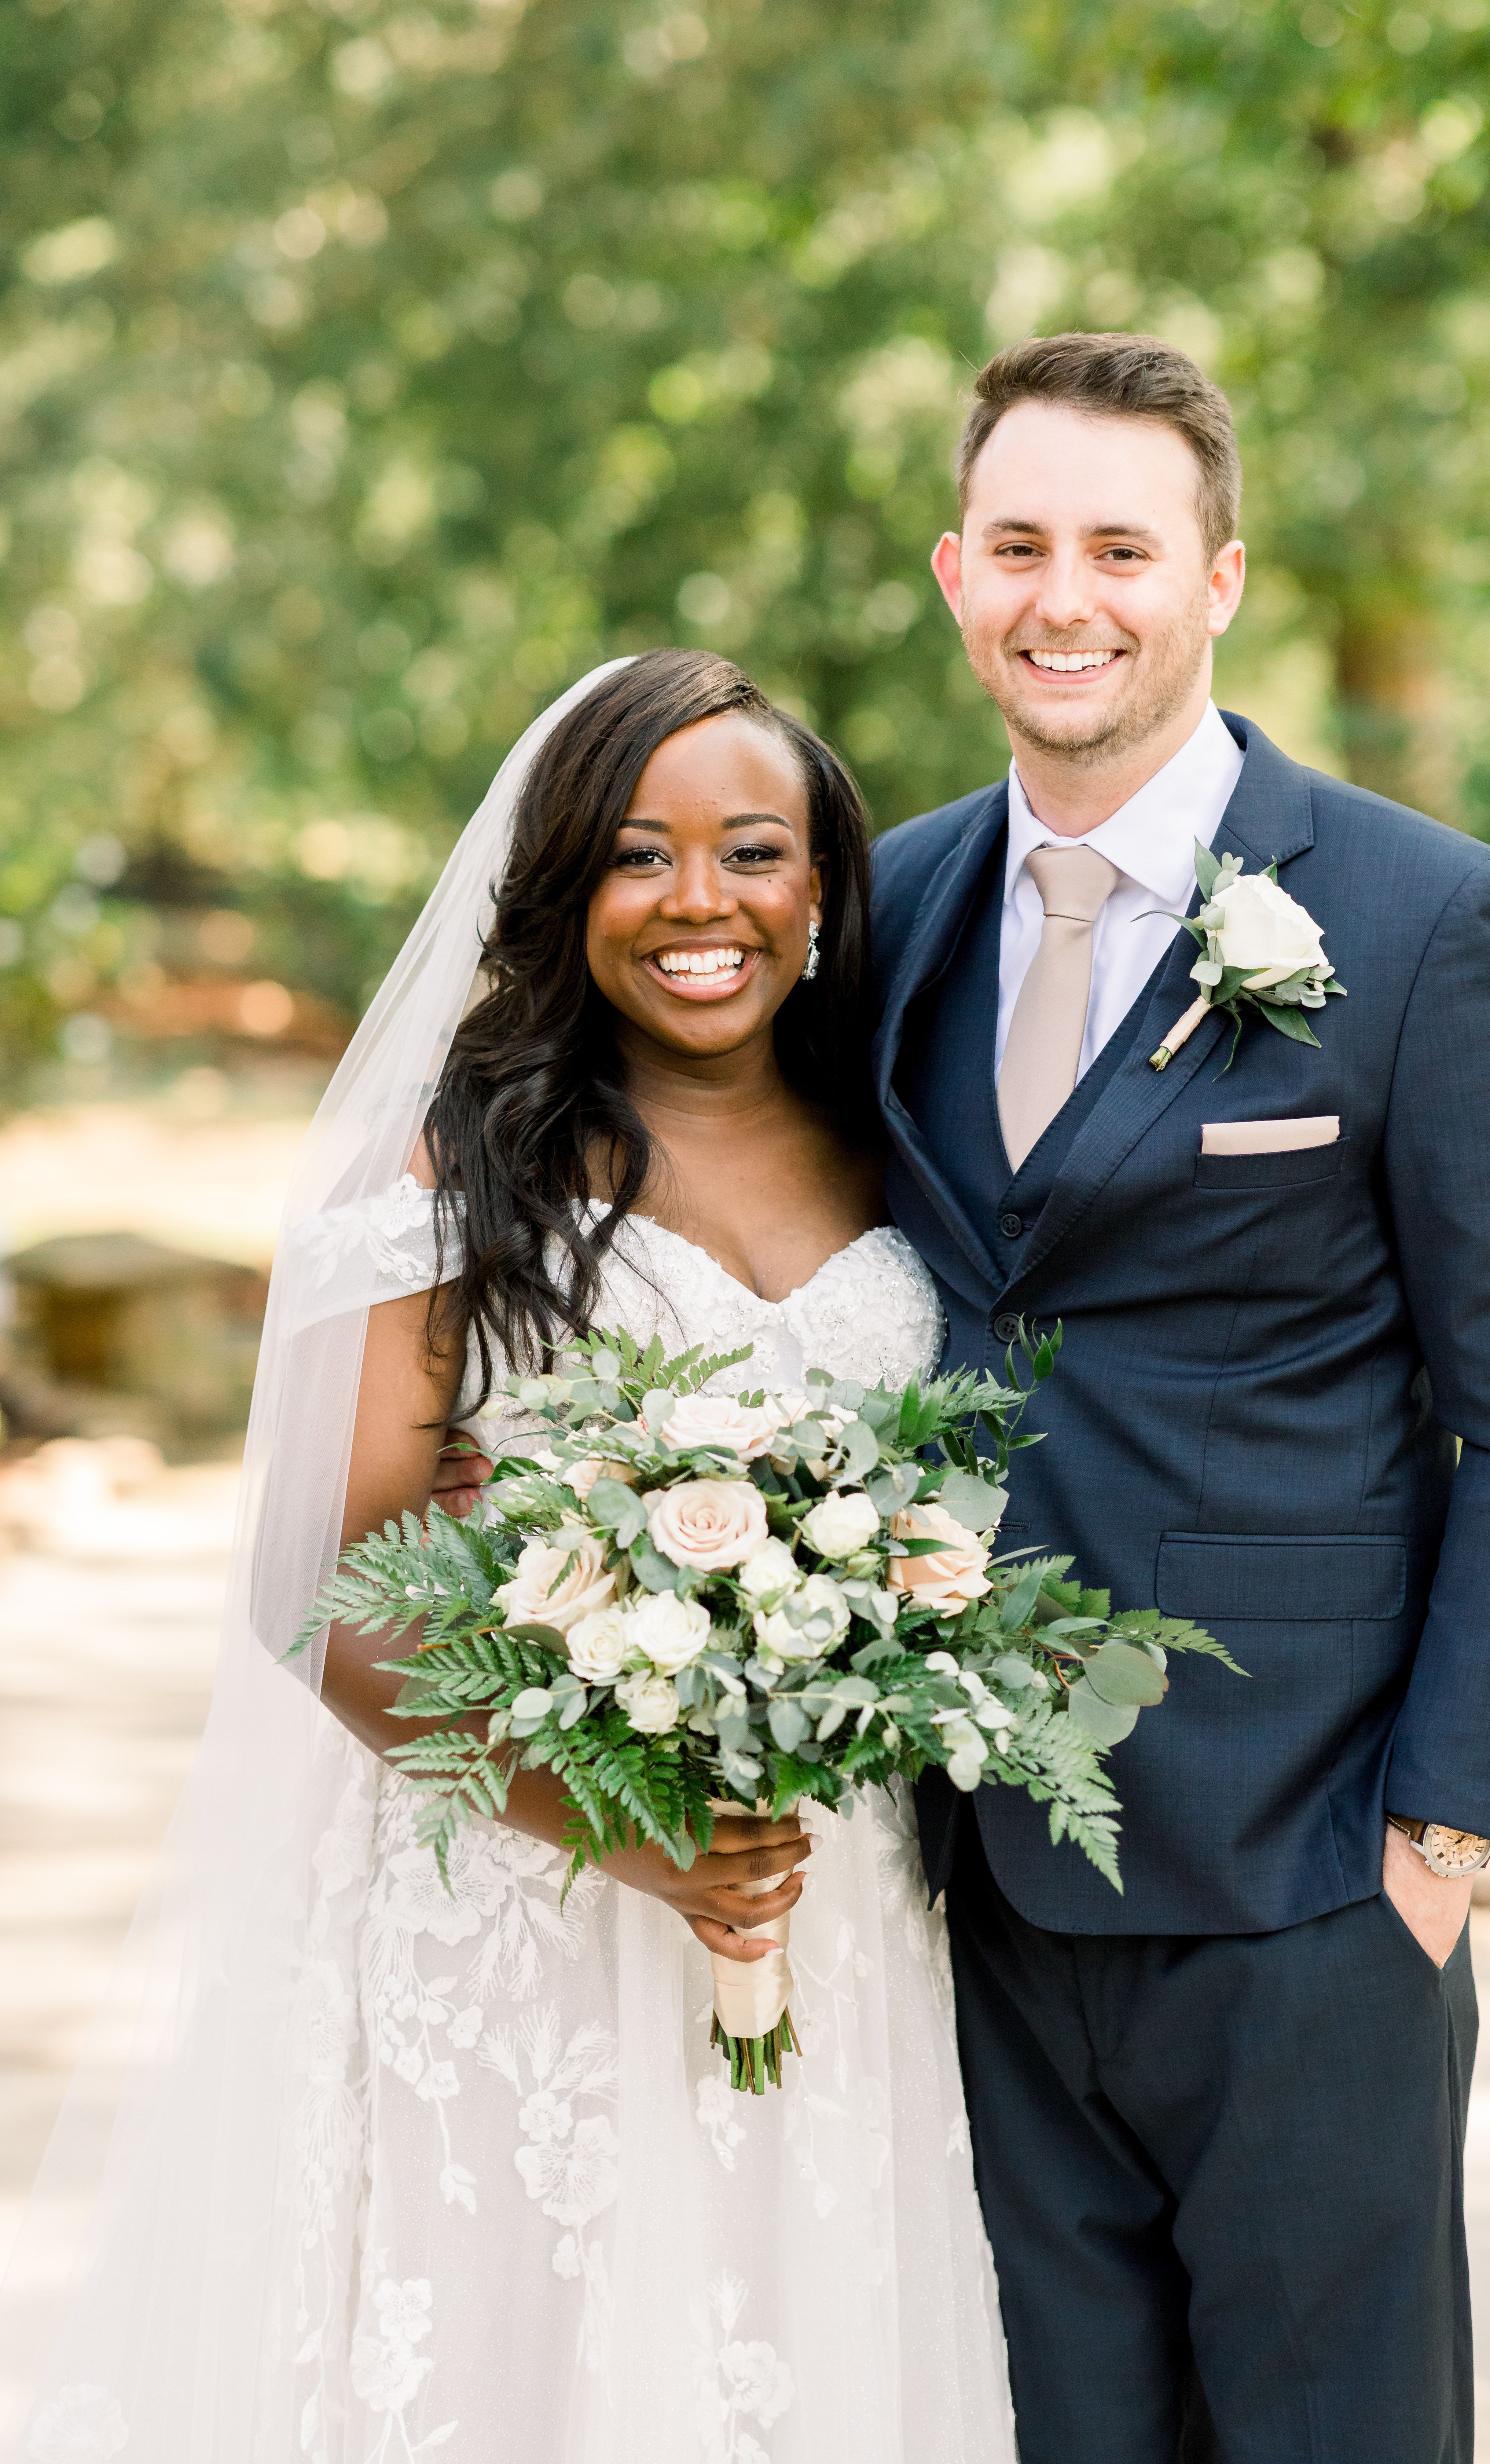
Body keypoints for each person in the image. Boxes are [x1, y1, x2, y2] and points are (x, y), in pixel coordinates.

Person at [2, 652, 1014, 2464]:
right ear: (559, 890)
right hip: (520, 1896)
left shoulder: (907, 1149)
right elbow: (320, 1577)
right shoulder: (453, 1171)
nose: (700, 902)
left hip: (826, 1891)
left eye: (754, 850)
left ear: (824, 885)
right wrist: (626, 1835)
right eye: (639, 855)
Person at [868, 331, 1490, 2464]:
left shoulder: (1427, 922)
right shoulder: (892, 905)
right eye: (1020, 544)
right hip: (970, 1871)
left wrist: (1448, 1829)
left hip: (1311, 1870)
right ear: (955, 573)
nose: (1066, 595)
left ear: (1218, 580)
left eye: (1123, 545)